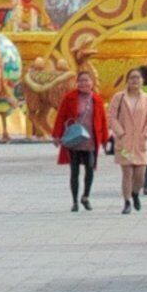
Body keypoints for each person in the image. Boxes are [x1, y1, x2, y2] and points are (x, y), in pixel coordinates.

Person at [108, 69, 147, 213]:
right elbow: (112, 117)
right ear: (127, 80)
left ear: (142, 81)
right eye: (132, 78)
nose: (135, 80)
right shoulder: (119, 97)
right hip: (124, 143)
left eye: (137, 78)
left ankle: (135, 193)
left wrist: (145, 135)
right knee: (127, 172)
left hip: (140, 143)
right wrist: (120, 133)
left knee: (140, 176)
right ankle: (127, 202)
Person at [51, 68, 101, 210]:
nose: (84, 83)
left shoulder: (96, 99)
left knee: (90, 169)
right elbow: (61, 117)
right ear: (77, 83)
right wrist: (57, 135)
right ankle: (74, 202)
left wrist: (105, 139)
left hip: (90, 141)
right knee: (74, 171)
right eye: (81, 81)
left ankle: (85, 196)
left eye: (86, 80)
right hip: (74, 141)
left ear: (92, 82)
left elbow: (102, 120)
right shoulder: (69, 98)